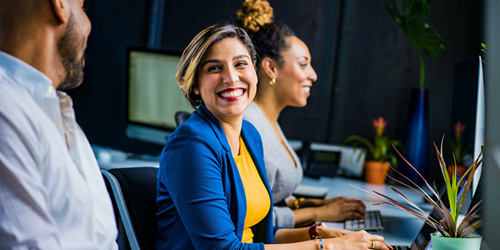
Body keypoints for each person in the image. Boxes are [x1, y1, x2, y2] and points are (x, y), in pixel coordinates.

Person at [156, 23, 390, 250]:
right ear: (196, 85)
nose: (231, 77)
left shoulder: (249, 135)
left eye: (240, 64)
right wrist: (327, 246)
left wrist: (320, 232)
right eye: (214, 68)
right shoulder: (191, 144)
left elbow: (261, 235)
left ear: (255, 72)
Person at [238, 0, 367, 228]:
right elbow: (252, 219)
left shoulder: (268, 121)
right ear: (271, 68)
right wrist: (319, 214)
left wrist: (314, 204)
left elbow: (273, 197)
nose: (313, 75)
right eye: (303, 64)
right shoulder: (249, 126)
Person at [0, 0, 118, 249]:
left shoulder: (54, 112)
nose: (88, 25)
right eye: (83, 8)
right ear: (60, 4)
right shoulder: (6, 110)